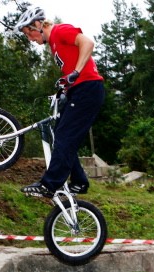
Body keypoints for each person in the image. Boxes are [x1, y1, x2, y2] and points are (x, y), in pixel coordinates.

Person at [15, 7, 105, 198]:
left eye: (28, 33)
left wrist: (76, 72)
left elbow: (88, 43)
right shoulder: (53, 44)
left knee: (64, 135)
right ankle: (79, 182)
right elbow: (72, 68)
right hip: (79, 91)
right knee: (60, 135)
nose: (29, 39)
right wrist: (65, 87)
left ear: (37, 25)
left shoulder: (60, 30)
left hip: (88, 89)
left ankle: (49, 184)